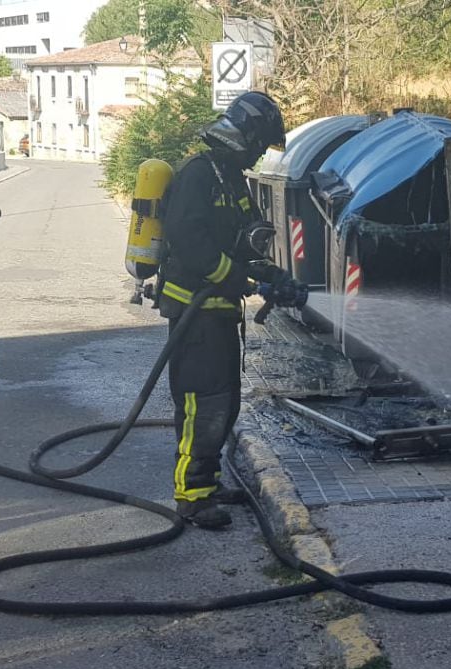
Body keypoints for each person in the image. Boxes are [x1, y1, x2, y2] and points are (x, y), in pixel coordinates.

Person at [157, 91, 294, 530]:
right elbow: (190, 242)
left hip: (219, 311)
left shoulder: (230, 176)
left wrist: (274, 275)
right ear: (246, 134)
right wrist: (241, 279)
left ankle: (208, 484)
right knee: (202, 403)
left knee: (225, 402)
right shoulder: (199, 175)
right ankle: (191, 497)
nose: (259, 153)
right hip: (194, 313)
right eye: (260, 143)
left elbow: (245, 242)